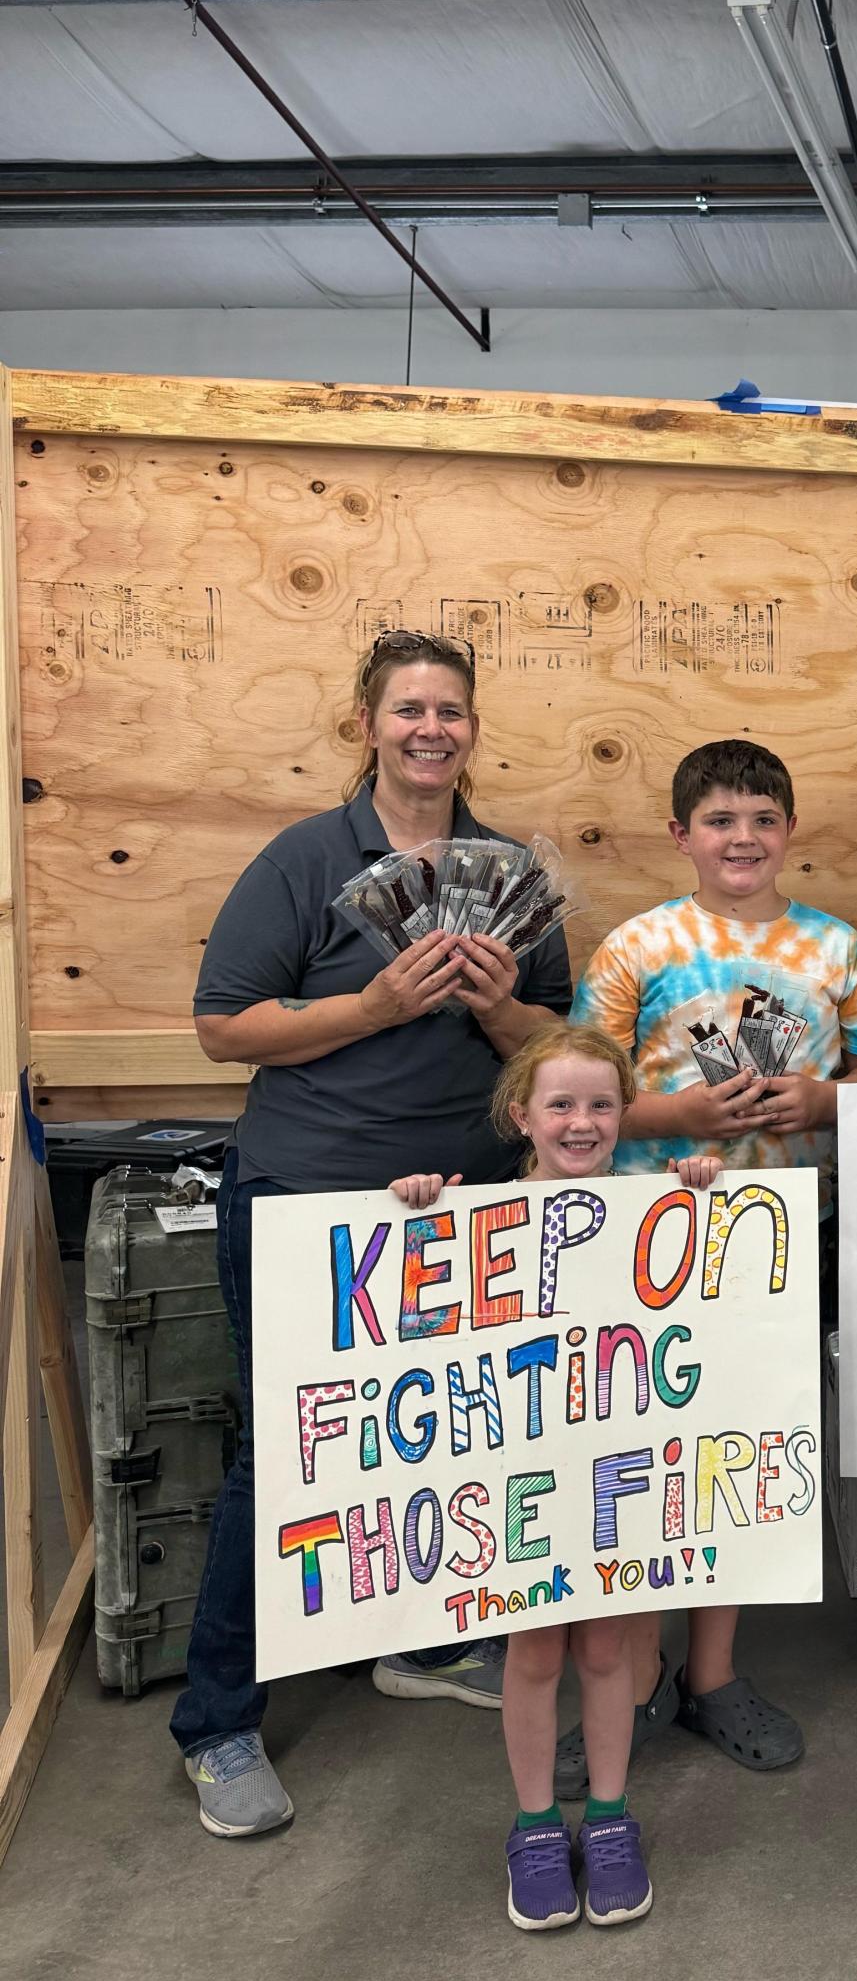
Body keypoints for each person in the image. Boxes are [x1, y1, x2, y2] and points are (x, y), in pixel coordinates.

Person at [176, 628, 571, 1838]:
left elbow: (553, 1049)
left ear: (470, 729)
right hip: (310, 1197)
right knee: (286, 1458)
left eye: (451, 709)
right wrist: (373, 1003)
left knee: (451, 1442)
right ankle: (216, 1722)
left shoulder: (505, 867)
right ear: (368, 723)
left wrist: (498, 1003)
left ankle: (423, 1643)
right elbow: (221, 1028)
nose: (431, 728)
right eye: (409, 708)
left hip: (466, 1203)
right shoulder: (306, 858)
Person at [566, 737, 857, 1786]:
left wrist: (825, 1099)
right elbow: (585, 1092)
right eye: (719, 820)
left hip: (790, 1238)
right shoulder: (637, 947)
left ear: (788, 830)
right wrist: (679, 1111)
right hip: (654, 1239)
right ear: (681, 835)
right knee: (650, 1457)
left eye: (761, 818)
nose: (742, 837)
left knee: (744, 1460)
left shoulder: (837, 948)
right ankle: (639, 1671)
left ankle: (714, 1675)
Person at [390, 1023, 720, 1930]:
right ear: (520, 1116)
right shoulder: (471, 1217)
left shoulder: (655, 1214)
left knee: (613, 1650)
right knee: (534, 1655)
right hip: (519, 1484)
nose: (582, 1122)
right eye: (562, 1105)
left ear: (626, 1115)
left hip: (620, 1480)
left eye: (602, 1105)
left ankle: (609, 1816)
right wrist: (417, 1204)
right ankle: (536, 1825)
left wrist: (697, 1191)